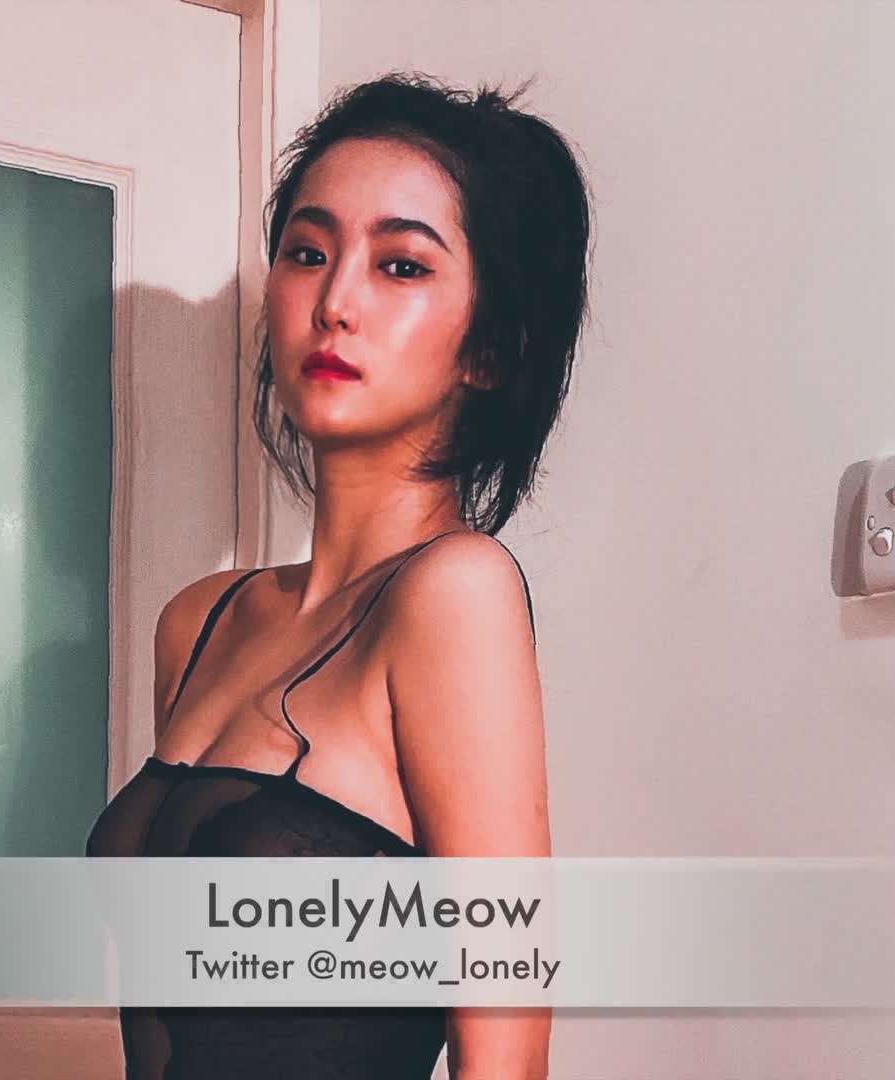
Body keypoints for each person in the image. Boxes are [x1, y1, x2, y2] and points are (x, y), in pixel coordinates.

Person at [86, 70, 593, 1080]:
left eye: (401, 265)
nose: (336, 302)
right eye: (308, 252)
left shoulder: (455, 594)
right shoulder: (201, 622)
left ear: (489, 349)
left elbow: (505, 1054)